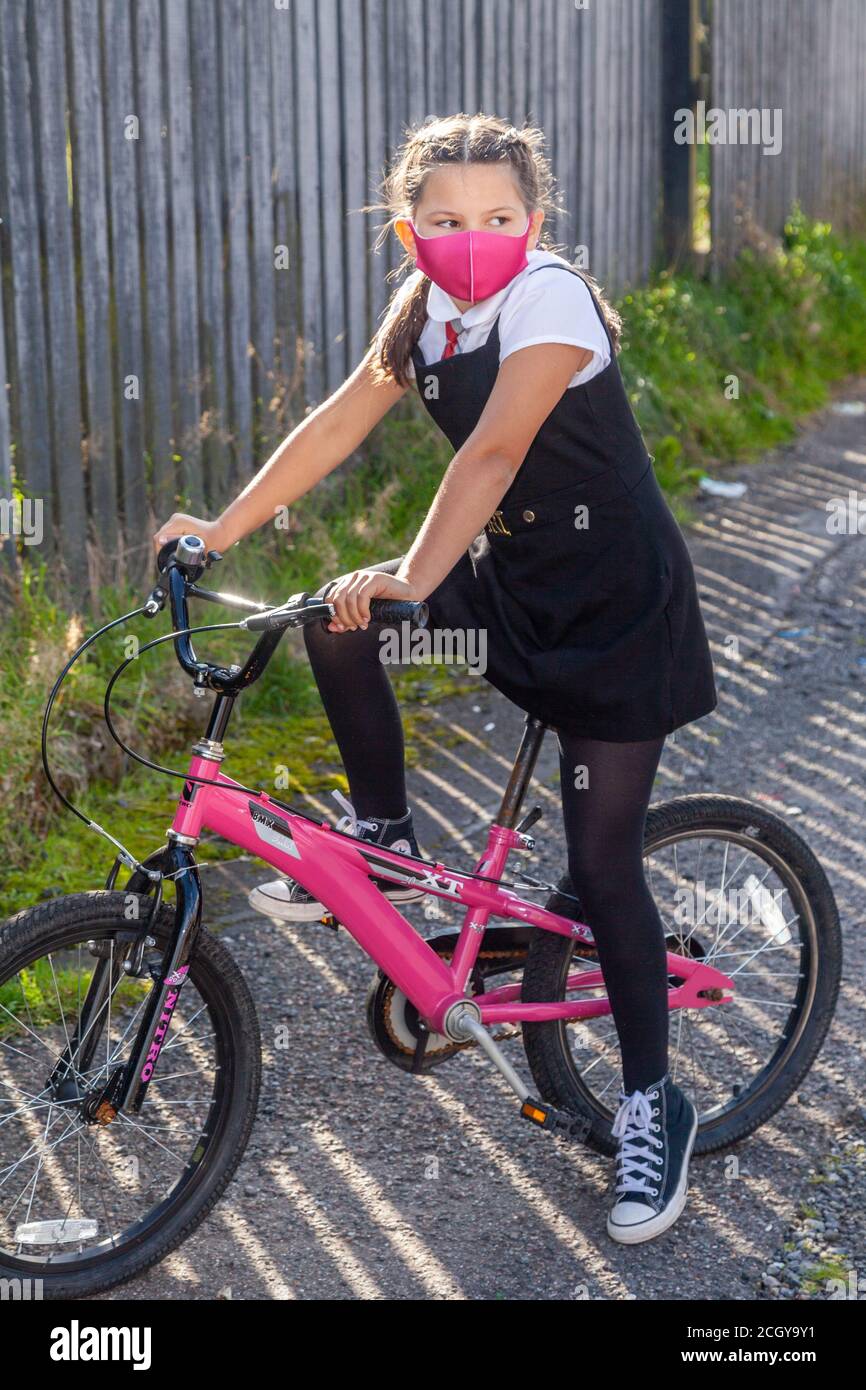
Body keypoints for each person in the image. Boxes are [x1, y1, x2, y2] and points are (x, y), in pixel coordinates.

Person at [154, 113, 717, 1245]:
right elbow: (337, 423)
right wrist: (218, 528)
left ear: (535, 222)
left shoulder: (547, 299)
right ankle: (390, 842)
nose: (474, 239)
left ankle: (654, 1110)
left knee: (603, 865)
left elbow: (493, 452)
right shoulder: (426, 309)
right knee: (341, 618)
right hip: (513, 585)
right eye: (447, 221)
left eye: (499, 218)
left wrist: (415, 569)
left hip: (615, 606)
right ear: (408, 229)